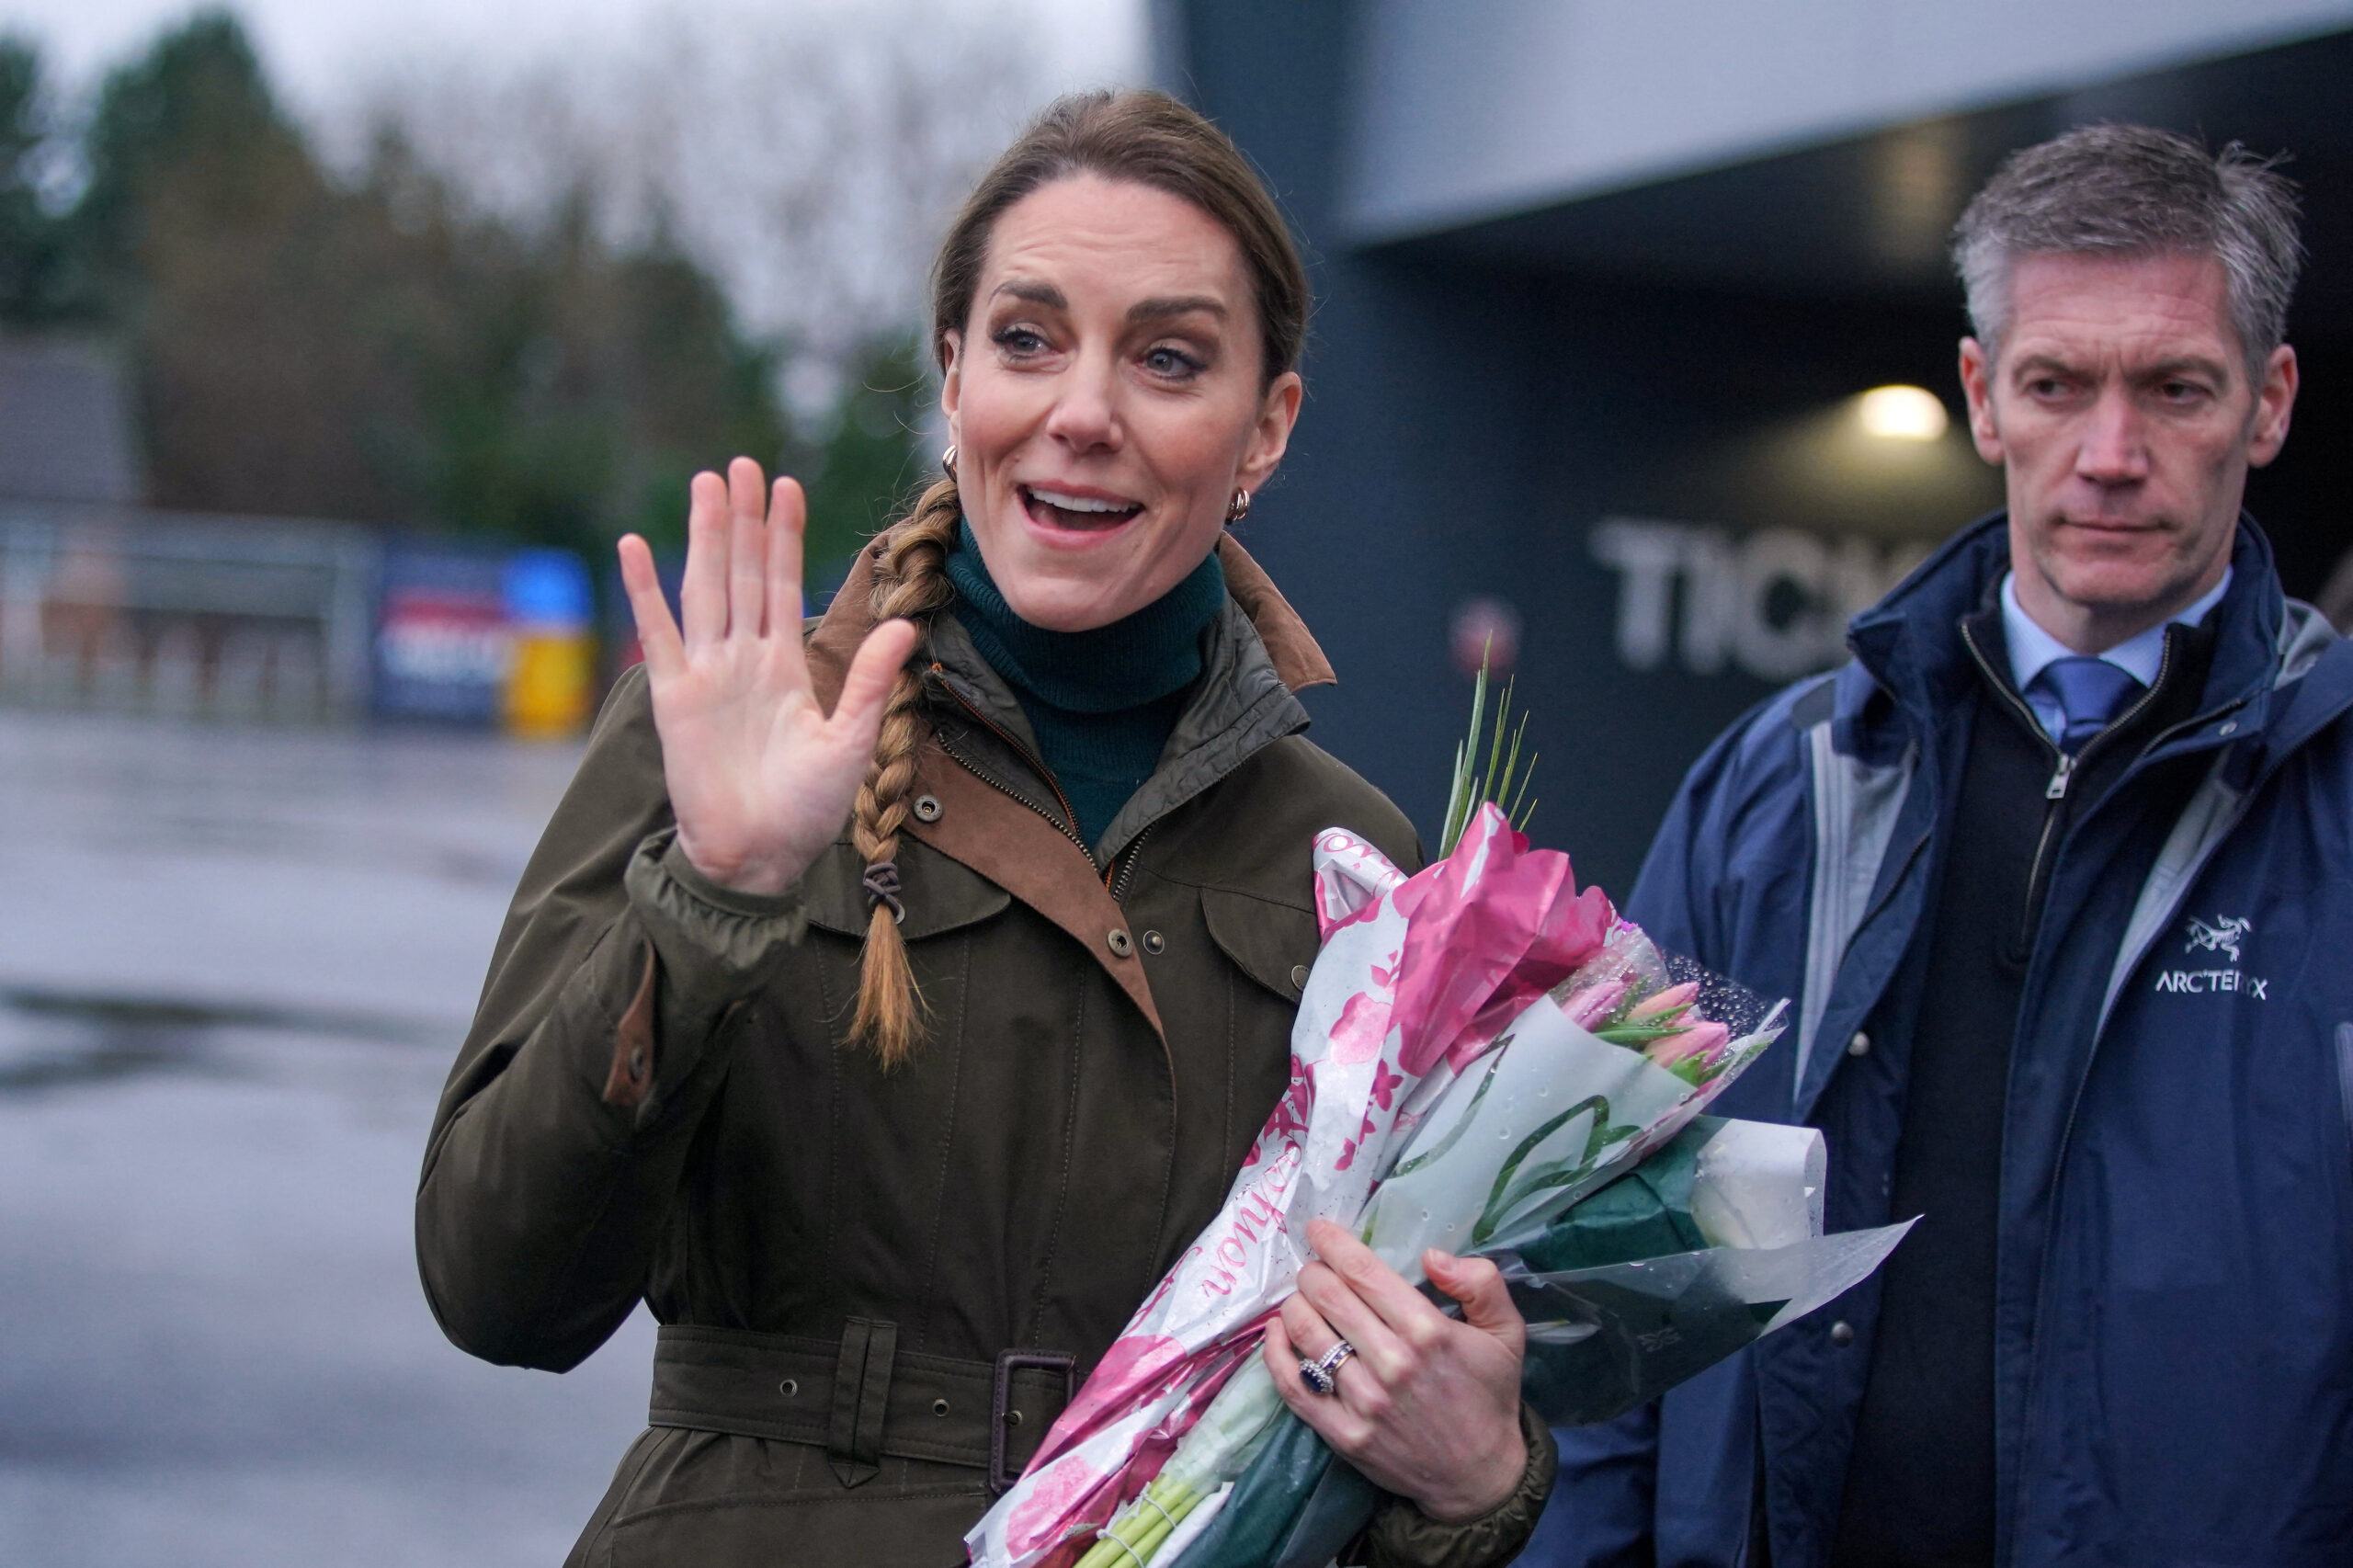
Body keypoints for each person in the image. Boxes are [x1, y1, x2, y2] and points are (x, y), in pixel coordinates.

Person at [415, 90, 1555, 1568]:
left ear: (1266, 428)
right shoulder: (735, 739)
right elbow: (500, 1289)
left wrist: (1475, 1479)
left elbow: (1348, 1415)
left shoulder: (1351, 856)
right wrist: (715, 898)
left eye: (1167, 358)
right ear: (953, 375)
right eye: (1027, 339)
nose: (1082, 412)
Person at [1530, 124, 2353, 1568]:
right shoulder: (1782, 786)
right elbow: (1599, 1264)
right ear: (1983, 395)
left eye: (2174, 388)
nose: (2111, 455)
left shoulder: (2332, 804)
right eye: (2057, 384)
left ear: (2269, 402)